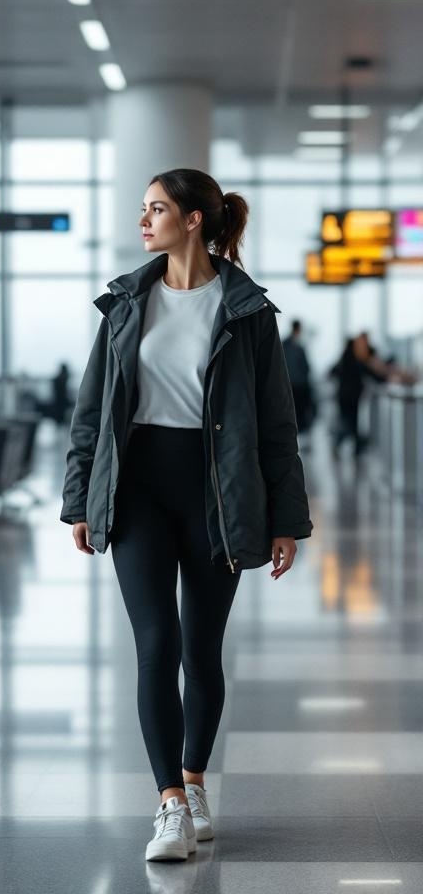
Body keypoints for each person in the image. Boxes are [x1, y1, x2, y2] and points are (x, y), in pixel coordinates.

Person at [60, 168, 313, 863]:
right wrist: (79, 499)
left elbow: (275, 426)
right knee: (156, 645)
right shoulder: (123, 302)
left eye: (158, 209)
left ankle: (196, 779)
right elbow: (91, 412)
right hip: (138, 490)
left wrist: (288, 519)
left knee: (202, 649)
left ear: (195, 219)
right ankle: (169, 801)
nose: (144, 222)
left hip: (217, 492)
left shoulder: (247, 311)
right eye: (144, 210)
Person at [282, 319, 315, 441]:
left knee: (294, 412)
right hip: (298, 385)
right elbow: (306, 367)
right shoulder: (297, 346)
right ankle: (299, 435)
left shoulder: (284, 344)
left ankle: (296, 436)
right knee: (300, 411)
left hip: (290, 384)